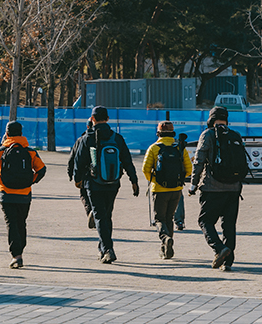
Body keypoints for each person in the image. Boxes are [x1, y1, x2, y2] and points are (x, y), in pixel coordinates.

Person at [72, 106, 139, 264]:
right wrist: (134, 181)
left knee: (99, 216)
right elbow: (127, 161)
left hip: (93, 183)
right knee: (107, 215)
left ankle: (108, 249)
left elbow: (79, 162)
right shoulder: (117, 138)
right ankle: (103, 248)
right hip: (113, 183)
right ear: (108, 119)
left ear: (92, 119)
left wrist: (77, 179)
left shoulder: (86, 138)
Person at [189, 106, 247, 272]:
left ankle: (219, 248)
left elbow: (199, 160)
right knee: (229, 224)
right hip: (234, 188)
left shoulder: (207, 135)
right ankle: (228, 261)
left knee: (205, 221)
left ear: (211, 119)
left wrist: (193, 184)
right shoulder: (235, 135)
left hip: (212, 187)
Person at [0, 121, 46, 269]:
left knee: (11, 223)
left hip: (6, 193)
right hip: (25, 194)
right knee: (21, 222)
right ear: (21, 133)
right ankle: (20, 249)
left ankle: (16, 255)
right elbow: (42, 169)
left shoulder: (0, 150)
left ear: (7, 133)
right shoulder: (30, 152)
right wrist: (31, 181)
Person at [142, 121, 192, 259]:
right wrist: (177, 180)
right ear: (173, 133)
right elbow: (189, 169)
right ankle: (166, 249)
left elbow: (145, 170)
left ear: (158, 133)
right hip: (176, 190)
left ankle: (165, 239)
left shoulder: (153, 148)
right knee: (169, 218)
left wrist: (156, 181)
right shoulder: (179, 148)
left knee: (159, 219)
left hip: (159, 190)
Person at [67, 118, 96, 230]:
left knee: (84, 195)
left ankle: (90, 212)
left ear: (87, 127)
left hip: (84, 175)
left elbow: (72, 158)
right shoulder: (104, 138)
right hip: (101, 174)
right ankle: (97, 215)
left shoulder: (81, 140)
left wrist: (71, 175)